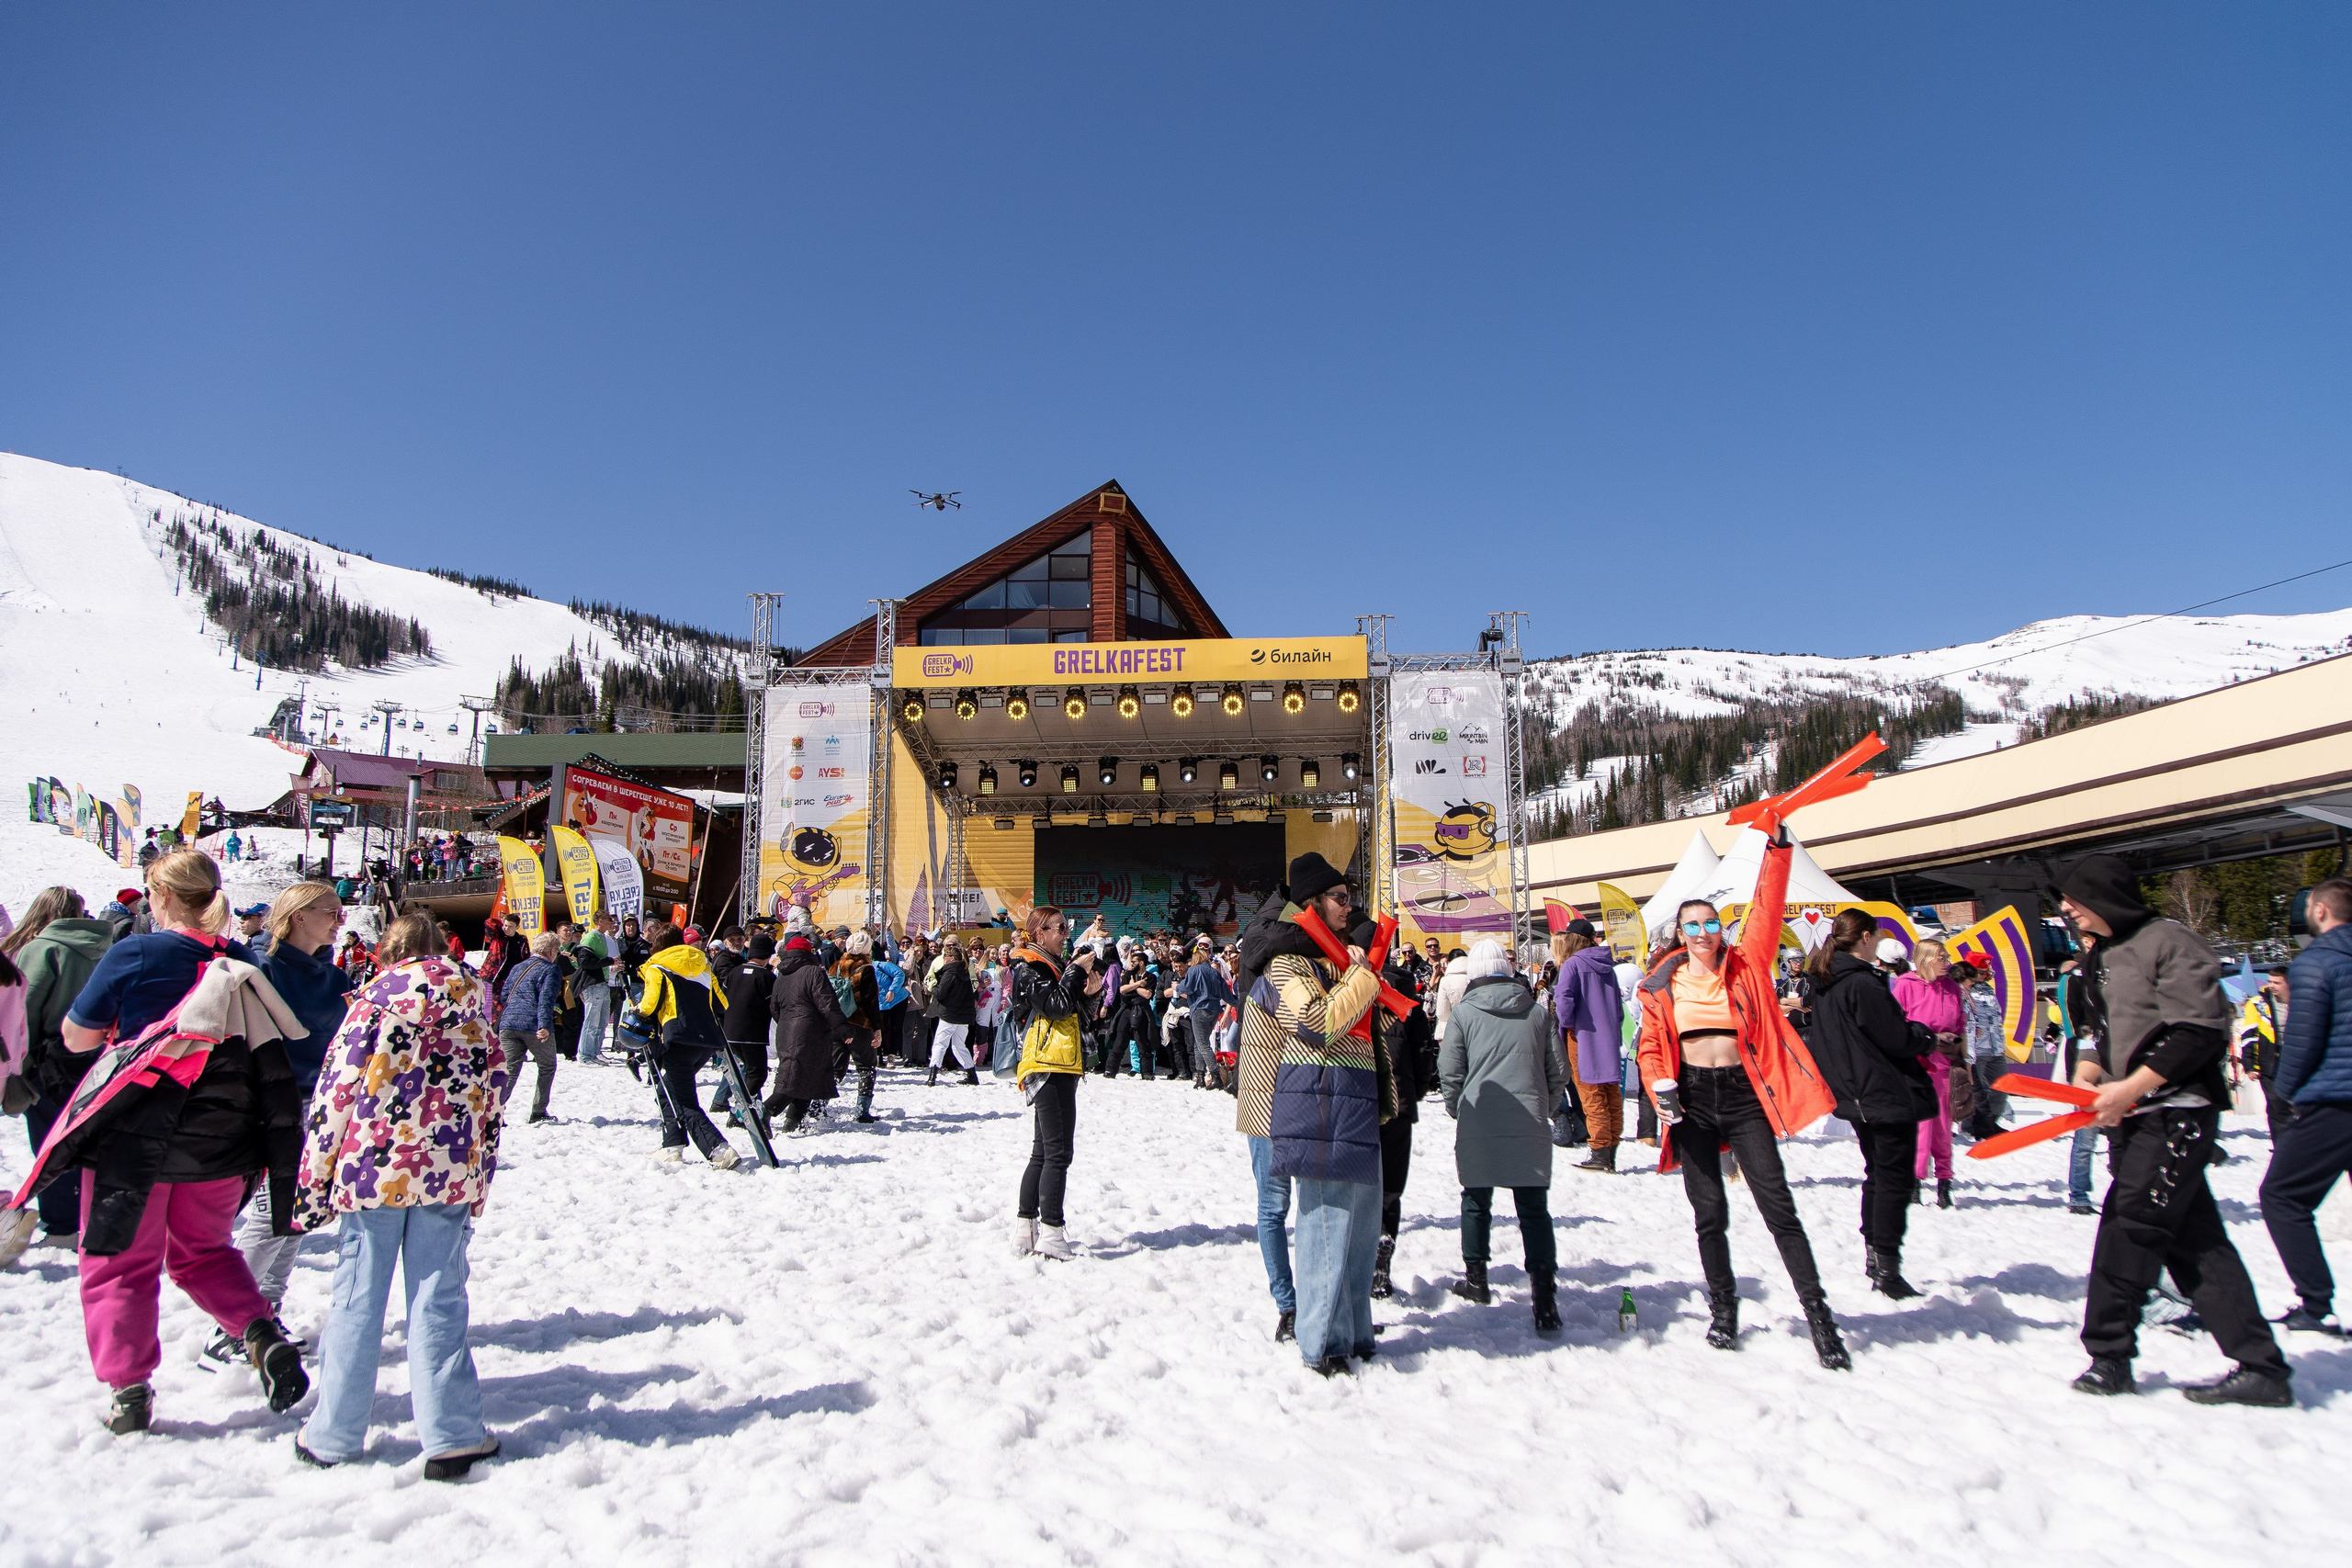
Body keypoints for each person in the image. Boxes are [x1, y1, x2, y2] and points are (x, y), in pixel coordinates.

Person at [50, 850, 308, 1433]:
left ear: (161, 896)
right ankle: (259, 1332)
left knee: (119, 1262)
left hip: (133, 1141)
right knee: (204, 1252)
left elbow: (75, 1037)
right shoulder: (242, 962)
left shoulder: (135, 953)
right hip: (220, 1141)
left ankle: (129, 1389)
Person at [2059, 854, 2291, 1404]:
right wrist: (2089, 1073)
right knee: (2196, 1242)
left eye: (2073, 899)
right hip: (2133, 1118)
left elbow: (2199, 1031)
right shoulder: (2101, 955)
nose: (2066, 910)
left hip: (2176, 1113)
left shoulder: (2169, 941)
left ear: (2103, 895)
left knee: (2128, 1225)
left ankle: (2109, 1357)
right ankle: (2261, 1366)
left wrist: (2132, 1086)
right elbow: (2097, 1030)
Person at [290, 912, 503, 1479]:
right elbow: (491, 1094)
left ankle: (334, 1432)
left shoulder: (374, 1001)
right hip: (448, 1163)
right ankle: (452, 1433)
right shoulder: (475, 1003)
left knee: (359, 1294)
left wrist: (313, 1179)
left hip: (373, 1163)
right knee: (440, 1294)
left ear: (390, 952)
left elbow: (335, 1092)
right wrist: (481, 1172)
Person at [1635, 822, 1849, 1370]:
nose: (1704, 932)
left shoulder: (1747, 962)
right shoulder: (1661, 984)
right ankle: (1723, 1311)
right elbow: (1652, 1049)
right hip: (1692, 1104)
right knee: (1709, 1214)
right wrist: (1660, 1087)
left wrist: (1777, 849)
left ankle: (1818, 1317)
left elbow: (1767, 905)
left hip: (1744, 1096)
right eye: (1693, 925)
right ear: (1679, 933)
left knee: (1780, 1210)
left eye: (1710, 922)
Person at [1239, 853, 1388, 1375]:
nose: (1350, 907)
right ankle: (1316, 1334)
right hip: (1314, 1101)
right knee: (1316, 1221)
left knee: (1358, 1228)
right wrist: (1363, 980)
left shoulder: (1337, 959)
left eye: (1351, 897)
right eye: (1340, 899)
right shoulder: (1287, 964)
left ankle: (1352, 1330)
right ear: (1312, 905)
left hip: (1354, 1098)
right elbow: (1313, 1021)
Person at [210, 881, 353, 1362]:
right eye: (330, 911)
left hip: (321, 1102)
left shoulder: (334, 977)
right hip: (270, 1102)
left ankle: (263, 1312)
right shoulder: (259, 967)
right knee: (274, 1213)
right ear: (296, 916)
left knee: (296, 1215)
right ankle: (234, 1324)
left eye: (341, 912)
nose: (340, 920)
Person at [1804, 909, 1938, 1299]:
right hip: (1882, 1089)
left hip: (1858, 1090)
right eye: (1876, 935)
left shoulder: (1828, 979)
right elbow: (1893, 1036)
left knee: (1878, 1174)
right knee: (1893, 1179)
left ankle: (1876, 1257)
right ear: (1865, 937)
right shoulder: (1860, 982)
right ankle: (1887, 1266)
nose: (1879, 941)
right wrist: (1925, 1038)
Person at [1440, 939, 1566, 1333]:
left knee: (1476, 1200)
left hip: (1479, 1116)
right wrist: (1546, 1105)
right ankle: (1544, 1295)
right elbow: (1558, 1069)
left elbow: (1449, 1070)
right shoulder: (1537, 1013)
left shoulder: (1462, 1014)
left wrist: (1457, 1106)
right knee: (1533, 1208)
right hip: (1529, 1118)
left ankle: (1477, 1279)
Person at [2256, 876, 2352, 1337]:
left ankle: (2317, 1305)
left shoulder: (2316, 964)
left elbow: (2303, 1042)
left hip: (2334, 1101)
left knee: (2282, 1196)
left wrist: (2285, 1093)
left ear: (2320, 911)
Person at [3, 889, 113, 1252]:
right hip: (96, 1055)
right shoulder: (107, 945)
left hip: (49, 1057)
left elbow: (25, 1012)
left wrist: (19, 1067)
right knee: (86, 1139)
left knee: (50, 1143)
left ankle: (63, 1223)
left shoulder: (43, 947)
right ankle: (90, 1216)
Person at [1011, 906, 1095, 1262]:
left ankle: (1025, 1228)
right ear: (1040, 933)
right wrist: (1076, 971)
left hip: (1059, 1062)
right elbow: (1057, 1006)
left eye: (1067, 926)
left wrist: (1088, 991)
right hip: (1048, 1064)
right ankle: (1053, 1233)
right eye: (1060, 927)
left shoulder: (1051, 966)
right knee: (1058, 1152)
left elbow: (1078, 1013)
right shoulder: (1029, 965)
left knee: (1043, 1151)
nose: (1066, 933)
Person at [636, 923, 741, 1168]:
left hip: (678, 1038)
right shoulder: (703, 968)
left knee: (683, 1101)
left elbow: (649, 1005)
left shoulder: (657, 967)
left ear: (658, 947)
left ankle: (718, 1149)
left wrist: (637, 1011)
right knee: (667, 1092)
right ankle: (672, 1145)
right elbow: (721, 1004)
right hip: (706, 1041)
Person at [1370, 935, 1433, 1298]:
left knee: (1364, 1186)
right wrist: (1415, 1091)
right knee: (1391, 1188)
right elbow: (1424, 1052)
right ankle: (1382, 1260)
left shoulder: (1361, 989)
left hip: (1365, 1103)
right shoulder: (1408, 997)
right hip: (1401, 1104)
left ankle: (1364, 1259)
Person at [1891, 938, 1965, 1207]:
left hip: (1944, 1061)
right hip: (1916, 1061)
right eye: (1941, 958)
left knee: (1943, 1124)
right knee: (1919, 1123)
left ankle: (1945, 1181)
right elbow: (1895, 1024)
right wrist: (1930, 1036)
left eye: (1947, 958)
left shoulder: (1952, 987)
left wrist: (1959, 1052)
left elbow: (1960, 1022)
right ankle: (1915, 1180)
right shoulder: (1906, 985)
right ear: (1925, 960)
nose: (1947, 963)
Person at [1554, 921, 1627, 1173]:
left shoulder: (1572, 964)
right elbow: (1618, 1006)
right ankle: (1610, 1150)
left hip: (1582, 1035)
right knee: (1611, 1092)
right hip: (1608, 1036)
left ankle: (1599, 1151)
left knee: (1590, 1093)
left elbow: (1563, 999)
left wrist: (1568, 1023)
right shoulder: (1609, 967)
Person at [764, 932, 852, 1132]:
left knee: (805, 1078)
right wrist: (843, 1028)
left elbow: (774, 1008)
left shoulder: (782, 976)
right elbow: (827, 1004)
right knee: (794, 1080)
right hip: (810, 1033)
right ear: (809, 952)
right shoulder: (814, 972)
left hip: (787, 1031)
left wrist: (787, 1024)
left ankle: (793, 1122)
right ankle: (765, 1111)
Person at [496, 932, 563, 1124]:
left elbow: (504, 996)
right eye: (556, 951)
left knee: (509, 1070)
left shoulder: (517, 967)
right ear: (551, 950)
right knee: (547, 1066)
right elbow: (546, 999)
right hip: (533, 1025)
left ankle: (495, 1112)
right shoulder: (550, 970)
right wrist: (544, 1025)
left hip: (508, 1024)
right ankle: (538, 1111)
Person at [718, 933, 776, 1118]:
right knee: (757, 1074)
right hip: (753, 1034)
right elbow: (774, 1007)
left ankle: (747, 1111)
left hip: (730, 1031)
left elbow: (723, 998)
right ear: (767, 957)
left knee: (748, 1073)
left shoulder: (734, 972)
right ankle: (738, 1113)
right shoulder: (767, 977)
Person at [2238, 964, 2294, 1145]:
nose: (2272, 985)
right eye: (2270, 981)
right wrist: (2249, 1064)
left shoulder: (2301, 999)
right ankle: (2282, 1145)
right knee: (2276, 1103)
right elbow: (2248, 1034)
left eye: (2277, 982)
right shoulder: (2257, 1003)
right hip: (2270, 1058)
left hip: (2296, 1056)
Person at [927, 941, 978, 1085]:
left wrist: (933, 987)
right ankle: (971, 1074)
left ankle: (932, 1076)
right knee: (959, 1045)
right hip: (963, 1016)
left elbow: (941, 993)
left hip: (949, 1015)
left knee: (939, 1044)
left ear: (951, 958)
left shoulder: (950, 972)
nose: (943, 959)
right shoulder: (966, 971)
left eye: (945, 956)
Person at [575, 911, 616, 1065]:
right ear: (599, 920)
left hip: (603, 982)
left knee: (602, 1022)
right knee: (591, 1021)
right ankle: (585, 1055)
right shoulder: (590, 937)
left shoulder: (602, 937)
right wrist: (608, 961)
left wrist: (611, 963)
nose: (612, 922)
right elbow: (584, 962)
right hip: (592, 984)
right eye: (608, 920)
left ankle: (595, 1052)